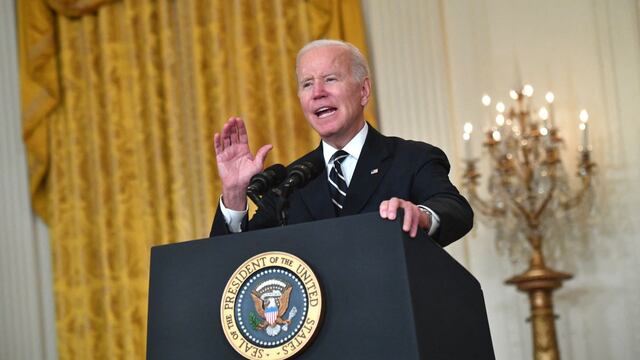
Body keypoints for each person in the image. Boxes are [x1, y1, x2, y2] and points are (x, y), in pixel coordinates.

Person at [209, 39, 472, 247]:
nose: (318, 92)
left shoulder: (411, 158)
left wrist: (421, 216)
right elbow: (235, 259)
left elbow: (455, 210)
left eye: (330, 79)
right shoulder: (289, 184)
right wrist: (234, 193)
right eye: (307, 84)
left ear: (363, 91)